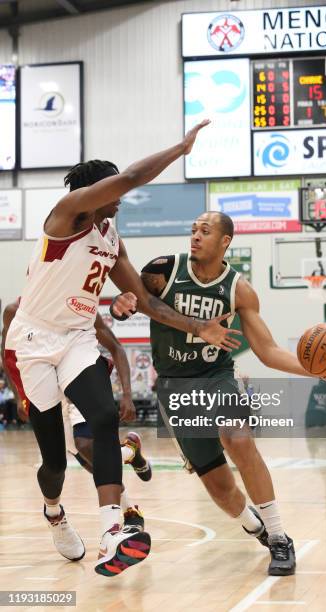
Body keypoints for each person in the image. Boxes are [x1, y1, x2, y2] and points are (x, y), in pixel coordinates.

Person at [3, 121, 241, 577]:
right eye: (111, 190)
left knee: (105, 418)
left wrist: (199, 327)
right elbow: (131, 178)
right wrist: (181, 148)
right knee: (54, 461)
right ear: (94, 191)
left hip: (76, 338)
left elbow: (148, 301)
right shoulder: (68, 213)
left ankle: (113, 531)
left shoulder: (111, 237)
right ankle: (54, 511)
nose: (120, 198)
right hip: (32, 344)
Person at [112, 211, 326, 576]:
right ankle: (259, 529)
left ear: (225, 241)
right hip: (174, 387)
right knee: (222, 490)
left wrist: (314, 369)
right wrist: (120, 306)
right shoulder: (163, 270)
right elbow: (133, 299)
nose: (195, 236)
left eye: (205, 231)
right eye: (193, 230)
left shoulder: (239, 290)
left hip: (215, 375)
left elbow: (267, 351)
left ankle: (281, 537)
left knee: (238, 437)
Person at [2, 301, 152, 521]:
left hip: (80, 383)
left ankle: (129, 511)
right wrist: (19, 396)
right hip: (46, 388)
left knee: (86, 445)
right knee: (84, 459)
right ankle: (129, 452)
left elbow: (116, 348)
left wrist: (127, 395)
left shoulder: (81, 303)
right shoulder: (15, 311)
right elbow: (8, 356)